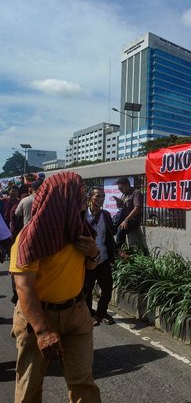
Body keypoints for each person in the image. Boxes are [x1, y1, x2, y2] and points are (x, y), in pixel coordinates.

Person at [9, 172, 102, 403]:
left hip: (77, 314)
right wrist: (42, 331)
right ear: (62, 198)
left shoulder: (79, 231)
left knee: (83, 384)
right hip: (37, 318)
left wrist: (93, 254)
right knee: (29, 386)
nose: (83, 199)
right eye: (78, 193)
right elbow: (24, 288)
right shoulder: (30, 239)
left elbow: (89, 267)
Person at [84, 186, 116, 326]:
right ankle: (90, 314)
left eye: (103, 196)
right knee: (87, 289)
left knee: (107, 288)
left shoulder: (106, 215)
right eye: (97, 196)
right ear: (90, 197)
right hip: (86, 260)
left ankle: (101, 313)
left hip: (103, 258)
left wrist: (116, 251)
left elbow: (110, 234)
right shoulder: (82, 214)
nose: (100, 199)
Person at [113, 177, 145, 250]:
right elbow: (121, 208)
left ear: (127, 185)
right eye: (119, 189)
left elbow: (137, 208)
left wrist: (126, 220)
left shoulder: (136, 193)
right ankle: (111, 248)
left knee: (121, 230)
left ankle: (119, 250)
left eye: (121, 188)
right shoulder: (124, 195)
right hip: (123, 218)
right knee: (111, 227)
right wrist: (118, 202)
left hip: (133, 220)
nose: (120, 190)